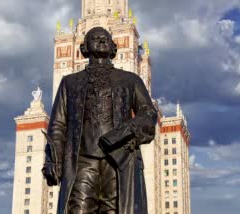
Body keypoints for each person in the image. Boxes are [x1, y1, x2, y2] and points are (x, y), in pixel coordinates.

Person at [42, 26, 157, 214]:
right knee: (77, 209)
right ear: (84, 48)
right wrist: (53, 160)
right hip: (82, 160)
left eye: (106, 38)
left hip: (119, 159)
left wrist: (126, 132)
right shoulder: (69, 82)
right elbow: (58, 125)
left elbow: (149, 113)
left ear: (113, 47)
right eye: (95, 38)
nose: (101, 40)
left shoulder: (130, 79)